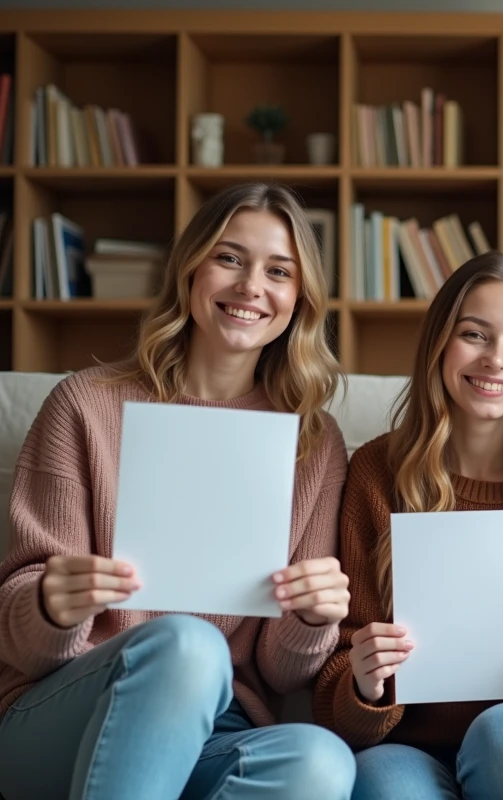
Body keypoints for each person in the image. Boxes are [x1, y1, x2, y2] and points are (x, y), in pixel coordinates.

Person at [0, 182, 356, 800]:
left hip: (217, 731)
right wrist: (52, 605)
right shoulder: (84, 405)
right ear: (191, 269)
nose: (251, 286)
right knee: (190, 646)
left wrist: (311, 616)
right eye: (229, 258)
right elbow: (22, 636)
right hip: (61, 711)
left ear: (299, 299)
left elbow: (279, 670)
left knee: (320, 761)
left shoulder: (313, 443)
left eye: (278, 271)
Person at [313, 252, 503, 800]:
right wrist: (363, 680)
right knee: (385, 785)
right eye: (475, 334)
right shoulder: (376, 472)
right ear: (440, 344)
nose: (497, 359)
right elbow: (338, 660)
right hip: (407, 748)